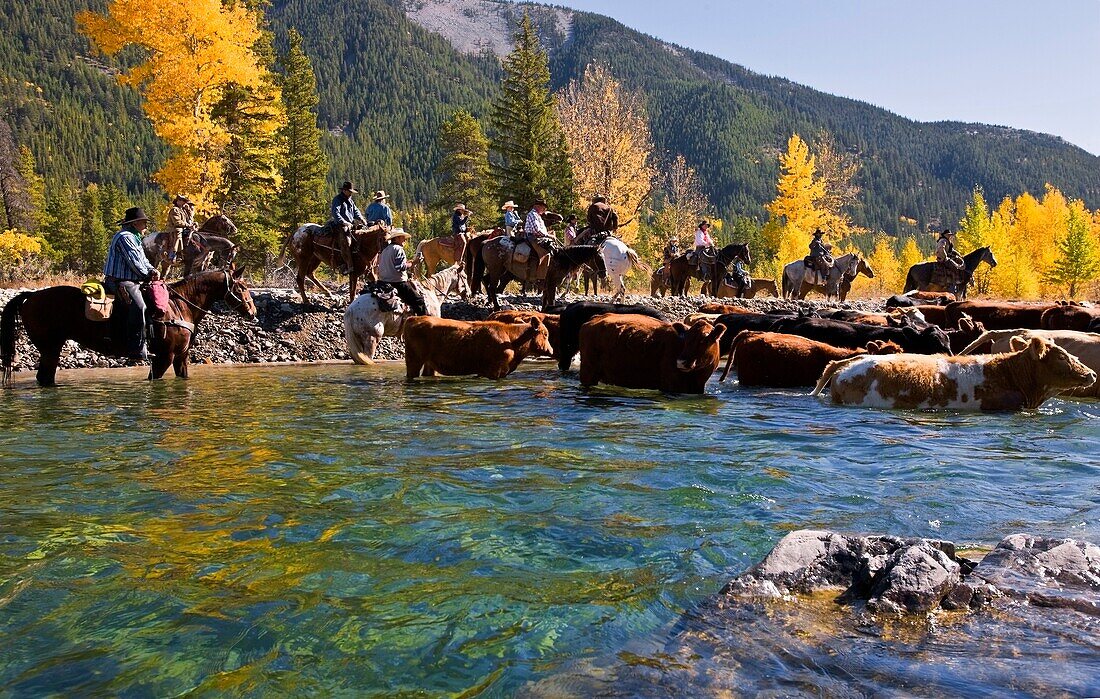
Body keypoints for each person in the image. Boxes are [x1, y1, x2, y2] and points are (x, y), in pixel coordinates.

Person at [103, 207, 160, 360]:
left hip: (131, 280)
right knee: (140, 306)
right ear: (134, 223)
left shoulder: (134, 237)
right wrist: (147, 274)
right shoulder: (125, 237)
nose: (146, 226)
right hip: (120, 281)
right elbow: (134, 263)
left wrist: (152, 270)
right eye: (143, 222)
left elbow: (143, 261)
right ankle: (135, 348)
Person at [377, 228, 428, 315]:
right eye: (402, 237)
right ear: (396, 238)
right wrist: (414, 262)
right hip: (397, 283)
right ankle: (422, 325)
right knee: (419, 301)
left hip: (382, 282)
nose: (405, 239)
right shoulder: (398, 249)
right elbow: (400, 267)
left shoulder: (385, 250)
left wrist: (409, 263)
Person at [329, 181, 366, 274]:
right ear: (344, 191)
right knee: (347, 241)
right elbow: (335, 213)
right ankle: (348, 265)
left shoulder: (350, 200)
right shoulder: (337, 199)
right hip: (340, 225)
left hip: (350, 224)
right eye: (349, 192)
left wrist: (362, 218)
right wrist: (344, 222)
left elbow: (355, 211)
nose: (351, 194)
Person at [525, 199, 559, 276]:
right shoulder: (533, 214)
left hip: (538, 237)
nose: (544, 210)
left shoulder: (537, 215)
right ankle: (540, 277)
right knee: (544, 253)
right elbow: (536, 230)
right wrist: (548, 235)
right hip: (533, 237)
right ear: (537, 206)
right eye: (543, 207)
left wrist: (548, 234)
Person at [163, 194, 196, 262]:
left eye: (185, 201)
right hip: (174, 228)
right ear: (178, 201)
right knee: (178, 232)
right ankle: (173, 254)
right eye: (183, 201)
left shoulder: (183, 210)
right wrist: (188, 225)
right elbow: (177, 222)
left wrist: (189, 210)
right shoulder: (175, 210)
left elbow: (189, 218)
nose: (184, 202)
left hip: (183, 227)